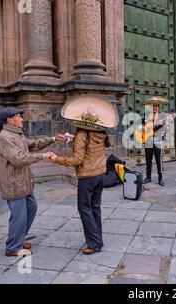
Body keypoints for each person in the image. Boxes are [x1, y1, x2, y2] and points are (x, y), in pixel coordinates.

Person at [50, 95, 118, 255]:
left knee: (84, 208)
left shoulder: (82, 135)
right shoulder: (101, 133)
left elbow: (77, 159)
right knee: (95, 207)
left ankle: (94, 243)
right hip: (100, 174)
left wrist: (56, 159)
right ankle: (97, 239)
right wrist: (75, 139)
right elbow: (91, 145)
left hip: (87, 177)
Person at [0, 107, 67, 257]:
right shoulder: (4, 137)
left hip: (24, 182)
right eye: (19, 117)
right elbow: (19, 159)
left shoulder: (17, 134)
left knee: (31, 208)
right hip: (13, 183)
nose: (22, 119)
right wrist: (44, 156)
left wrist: (53, 139)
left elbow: (33, 144)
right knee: (18, 215)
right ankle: (13, 248)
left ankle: (18, 240)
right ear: (9, 120)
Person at [140, 97, 170, 186]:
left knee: (159, 161)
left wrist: (162, 126)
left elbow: (166, 128)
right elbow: (142, 128)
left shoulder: (163, 117)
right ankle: (148, 177)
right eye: (153, 107)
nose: (154, 108)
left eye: (156, 106)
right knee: (148, 160)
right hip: (148, 141)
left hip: (158, 141)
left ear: (158, 108)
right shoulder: (145, 116)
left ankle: (160, 178)